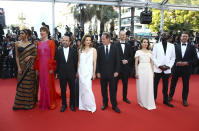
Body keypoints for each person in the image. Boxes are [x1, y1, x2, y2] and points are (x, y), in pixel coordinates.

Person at [168, 32, 198, 106]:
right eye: (183, 36)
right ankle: (170, 96)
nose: (184, 37)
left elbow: (195, 59)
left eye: (186, 36)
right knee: (173, 83)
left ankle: (184, 99)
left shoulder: (192, 47)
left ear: (188, 38)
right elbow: (171, 57)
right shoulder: (175, 46)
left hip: (186, 69)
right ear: (180, 37)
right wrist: (175, 63)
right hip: (176, 68)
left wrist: (187, 63)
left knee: (186, 85)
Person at [13, 29, 37, 110]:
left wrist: (30, 57)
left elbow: (36, 56)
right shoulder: (17, 43)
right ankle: (19, 104)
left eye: (22, 33)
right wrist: (19, 67)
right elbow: (16, 56)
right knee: (21, 85)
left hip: (29, 68)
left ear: (26, 35)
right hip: (21, 67)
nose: (20, 35)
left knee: (28, 86)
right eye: (20, 33)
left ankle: (28, 104)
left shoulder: (32, 45)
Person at [96, 32, 120, 113]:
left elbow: (118, 61)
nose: (102, 40)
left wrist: (117, 71)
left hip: (113, 73)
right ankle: (105, 104)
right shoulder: (99, 49)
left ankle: (114, 105)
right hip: (102, 74)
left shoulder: (115, 48)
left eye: (103, 39)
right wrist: (98, 72)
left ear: (108, 39)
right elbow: (98, 62)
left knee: (113, 90)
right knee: (103, 90)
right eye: (101, 39)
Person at [34, 27, 57, 110]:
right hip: (41, 66)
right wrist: (36, 68)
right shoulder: (38, 43)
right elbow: (38, 57)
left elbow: (52, 56)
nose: (41, 32)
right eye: (40, 31)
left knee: (49, 84)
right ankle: (43, 101)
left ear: (47, 32)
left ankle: (50, 102)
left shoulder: (51, 42)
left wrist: (51, 67)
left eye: (43, 31)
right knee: (42, 84)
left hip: (48, 66)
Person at [152, 32, 175, 107]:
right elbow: (153, 57)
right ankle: (153, 100)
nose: (164, 36)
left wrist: (169, 66)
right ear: (161, 37)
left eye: (166, 35)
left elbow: (173, 58)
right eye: (163, 35)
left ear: (168, 37)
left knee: (165, 86)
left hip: (167, 69)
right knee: (155, 85)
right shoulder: (156, 46)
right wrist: (159, 66)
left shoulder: (172, 46)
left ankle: (165, 100)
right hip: (158, 69)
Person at [56, 36, 77, 112]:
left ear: (69, 42)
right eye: (63, 40)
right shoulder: (58, 51)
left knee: (72, 90)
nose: (65, 42)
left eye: (66, 40)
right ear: (62, 41)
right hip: (62, 74)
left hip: (71, 73)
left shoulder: (74, 50)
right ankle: (64, 105)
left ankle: (72, 105)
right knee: (63, 90)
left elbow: (75, 63)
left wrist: (75, 72)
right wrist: (57, 73)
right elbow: (57, 63)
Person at [77, 35, 97, 113]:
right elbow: (78, 62)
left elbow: (94, 62)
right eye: (87, 40)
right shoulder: (80, 50)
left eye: (89, 40)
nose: (88, 41)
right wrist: (77, 72)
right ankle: (83, 105)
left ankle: (91, 105)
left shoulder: (93, 50)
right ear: (84, 41)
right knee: (82, 89)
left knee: (88, 88)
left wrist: (94, 73)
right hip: (81, 71)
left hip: (89, 72)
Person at [135, 38, 156, 110]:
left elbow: (152, 63)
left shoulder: (150, 52)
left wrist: (153, 73)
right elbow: (136, 63)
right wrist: (136, 72)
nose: (145, 43)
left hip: (148, 69)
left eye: (147, 42)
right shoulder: (138, 52)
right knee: (141, 85)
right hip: (141, 68)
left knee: (149, 85)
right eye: (144, 42)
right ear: (141, 43)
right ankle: (141, 100)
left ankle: (148, 101)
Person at [115, 30, 132, 104]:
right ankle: (114, 98)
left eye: (124, 35)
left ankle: (125, 98)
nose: (123, 36)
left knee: (125, 84)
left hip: (125, 69)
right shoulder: (115, 45)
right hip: (117, 69)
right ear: (119, 36)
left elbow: (131, 56)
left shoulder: (129, 45)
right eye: (121, 35)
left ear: (126, 36)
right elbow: (113, 57)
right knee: (115, 85)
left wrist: (127, 61)